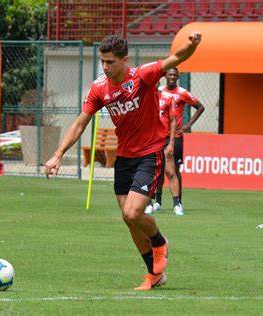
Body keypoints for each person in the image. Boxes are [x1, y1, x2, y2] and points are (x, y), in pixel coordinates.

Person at [44, 32, 202, 290]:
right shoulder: (99, 88)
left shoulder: (143, 75)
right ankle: (155, 274)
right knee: (129, 219)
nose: (105, 67)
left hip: (149, 154)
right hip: (124, 158)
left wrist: (192, 44)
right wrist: (58, 153)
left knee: (132, 212)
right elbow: (80, 123)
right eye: (102, 62)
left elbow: (176, 57)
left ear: (124, 59)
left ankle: (160, 242)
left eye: (110, 62)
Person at [153, 68, 205, 215]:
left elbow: (200, 107)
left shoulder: (182, 92)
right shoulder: (159, 91)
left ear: (178, 77)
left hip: (175, 137)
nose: (172, 77)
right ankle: (158, 201)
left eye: (174, 75)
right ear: (165, 76)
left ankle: (178, 202)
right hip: (159, 136)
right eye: (169, 74)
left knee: (174, 169)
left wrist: (188, 125)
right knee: (159, 169)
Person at [144, 86, 181, 215]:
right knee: (149, 173)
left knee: (171, 172)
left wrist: (171, 143)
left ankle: (177, 205)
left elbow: (173, 120)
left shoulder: (168, 98)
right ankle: (148, 204)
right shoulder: (142, 98)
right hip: (149, 140)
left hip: (164, 139)